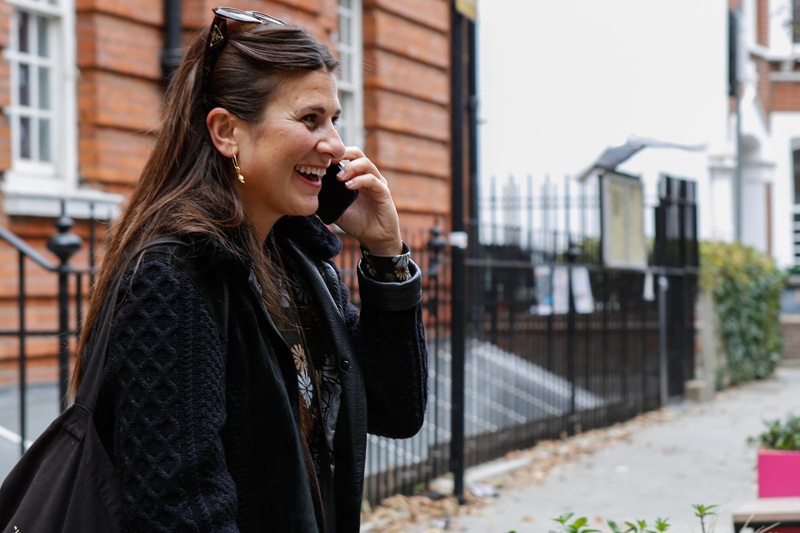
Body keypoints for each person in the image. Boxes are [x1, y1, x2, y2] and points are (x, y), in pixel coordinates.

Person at [71, 6, 428, 532]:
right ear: (227, 132)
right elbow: (179, 512)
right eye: (310, 119)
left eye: (334, 120)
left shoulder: (299, 264)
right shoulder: (174, 277)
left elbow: (396, 409)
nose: (334, 145)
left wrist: (384, 252)